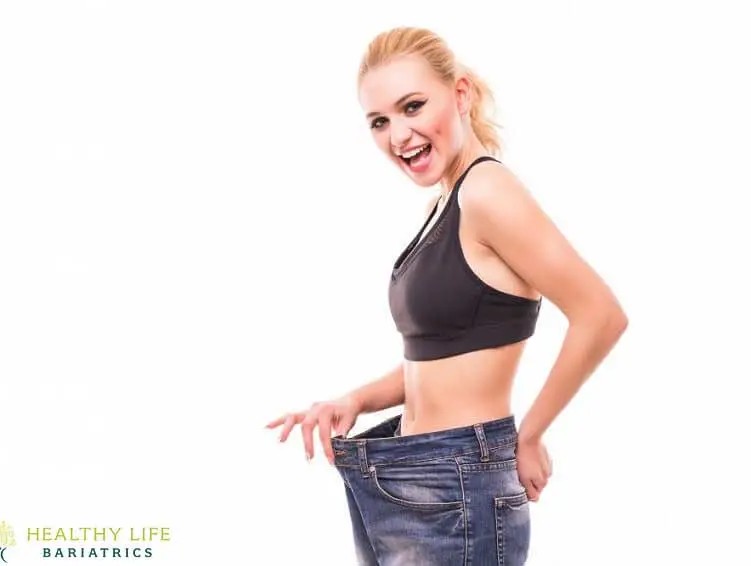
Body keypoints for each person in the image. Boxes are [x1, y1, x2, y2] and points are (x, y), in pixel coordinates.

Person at [266, 26, 628, 565]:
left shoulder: (486, 191)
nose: (399, 134)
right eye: (379, 121)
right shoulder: (447, 202)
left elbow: (601, 315)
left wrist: (528, 437)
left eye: (413, 106)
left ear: (460, 95)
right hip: (413, 473)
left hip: (456, 485)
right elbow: (436, 361)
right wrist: (355, 401)